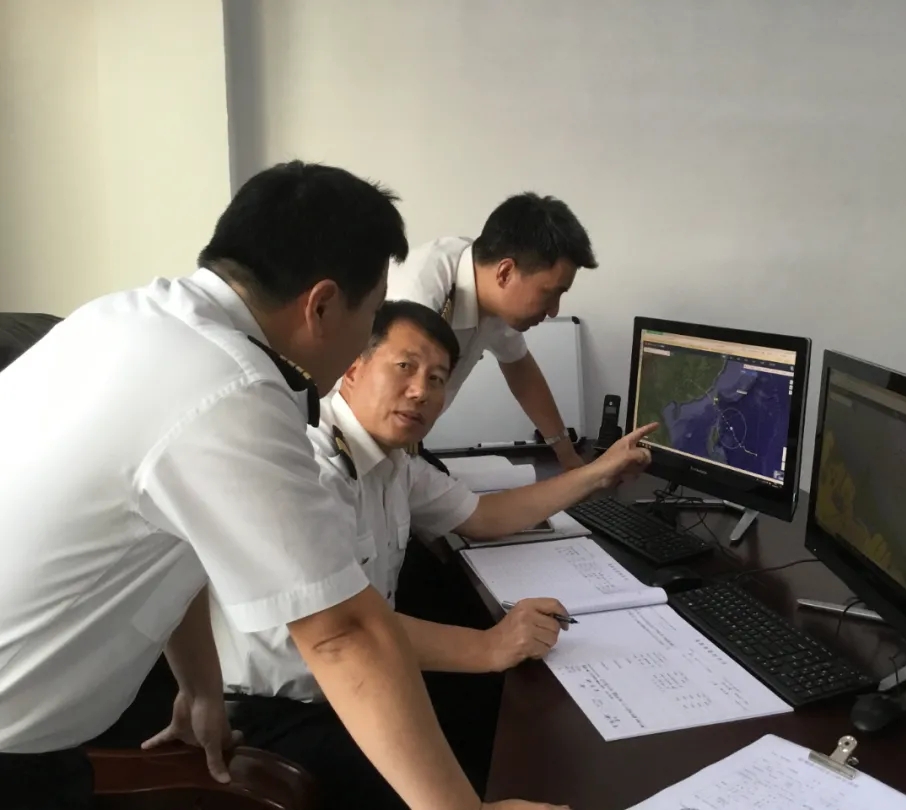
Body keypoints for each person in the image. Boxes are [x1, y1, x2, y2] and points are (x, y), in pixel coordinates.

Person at [0, 160, 560, 810]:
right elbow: (340, 634)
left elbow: (175, 535)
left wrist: (200, 687)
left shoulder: (123, 319)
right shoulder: (232, 387)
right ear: (322, 306)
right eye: (372, 314)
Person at [211, 300, 656, 809]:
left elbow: (484, 516)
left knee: (509, 722)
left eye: (438, 378)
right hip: (282, 710)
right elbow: (347, 631)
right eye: (405, 367)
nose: (421, 390)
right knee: (479, 754)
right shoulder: (311, 466)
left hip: (360, 679)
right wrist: (490, 646)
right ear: (353, 368)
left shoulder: (392, 460)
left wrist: (597, 474)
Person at [386, 192, 597, 471]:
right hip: (362, 449)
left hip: (406, 444)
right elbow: (383, 401)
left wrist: (568, 457)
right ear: (505, 273)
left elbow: (520, 368)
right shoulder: (418, 295)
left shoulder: (486, 283)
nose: (554, 310)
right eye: (550, 293)